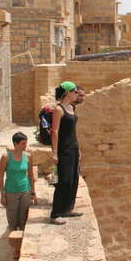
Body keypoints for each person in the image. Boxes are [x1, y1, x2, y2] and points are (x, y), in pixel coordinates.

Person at [49, 81, 83, 224]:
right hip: (64, 149)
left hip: (73, 147)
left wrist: (78, 149)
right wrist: (55, 152)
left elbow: (73, 131)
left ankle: (68, 208)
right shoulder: (59, 109)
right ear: (67, 93)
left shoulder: (71, 108)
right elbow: (55, 132)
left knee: (74, 179)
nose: (77, 94)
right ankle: (56, 213)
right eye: (75, 92)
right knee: (64, 180)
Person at [0, 132, 36, 230]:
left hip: (25, 191)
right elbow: (1, 176)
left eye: (26, 143)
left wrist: (33, 192)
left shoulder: (28, 156)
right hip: (11, 192)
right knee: (12, 220)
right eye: (23, 143)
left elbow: (31, 175)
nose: (25, 146)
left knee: (24, 218)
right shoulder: (6, 157)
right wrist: (2, 195)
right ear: (15, 143)